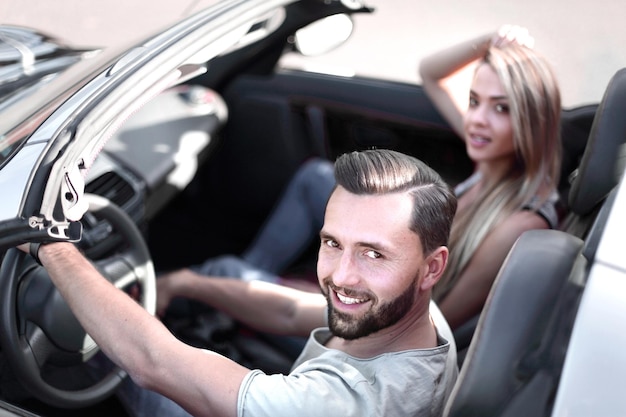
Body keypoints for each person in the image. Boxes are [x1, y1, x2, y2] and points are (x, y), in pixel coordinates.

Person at [161, 24, 562, 331]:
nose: (477, 119)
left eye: (502, 109)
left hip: (375, 321)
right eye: (475, 101)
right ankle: (235, 304)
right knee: (317, 178)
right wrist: (489, 41)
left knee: (222, 272)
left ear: (533, 120)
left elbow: (432, 322)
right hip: (384, 269)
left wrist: (321, 294)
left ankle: (229, 297)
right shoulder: (492, 160)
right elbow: (431, 73)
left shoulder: (518, 222)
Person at [27, 149, 459, 417]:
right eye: (332, 243)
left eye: (374, 253)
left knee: (102, 350)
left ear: (432, 268)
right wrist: (187, 282)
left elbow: (149, 362)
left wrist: (52, 246)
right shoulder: (415, 313)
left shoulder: (346, 404)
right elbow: (290, 309)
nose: (342, 276)